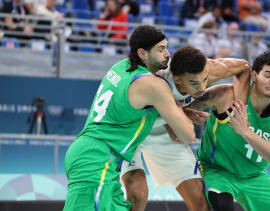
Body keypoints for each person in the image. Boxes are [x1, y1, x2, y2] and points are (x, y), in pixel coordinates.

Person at [63, 25, 197, 211]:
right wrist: (182, 108)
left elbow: (130, 109)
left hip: (91, 155)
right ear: (142, 53)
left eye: (166, 47)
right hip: (96, 161)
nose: (167, 54)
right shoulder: (152, 84)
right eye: (161, 49)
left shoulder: (120, 67)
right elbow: (188, 134)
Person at [120, 46, 250, 211]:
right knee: (137, 196)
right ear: (178, 79)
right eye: (194, 83)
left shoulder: (209, 69)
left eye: (205, 79)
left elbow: (244, 68)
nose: (202, 87)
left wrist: (241, 112)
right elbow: (134, 111)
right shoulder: (152, 80)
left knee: (201, 205)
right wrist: (175, 118)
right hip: (133, 131)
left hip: (164, 131)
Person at [186, 51, 270, 211]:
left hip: (254, 176)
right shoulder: (226, 95)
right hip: (217, 171)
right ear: (255, 75)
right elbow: (178, 106)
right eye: (268, 75)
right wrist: (187, 112)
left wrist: (246, 131)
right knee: (223, 206)